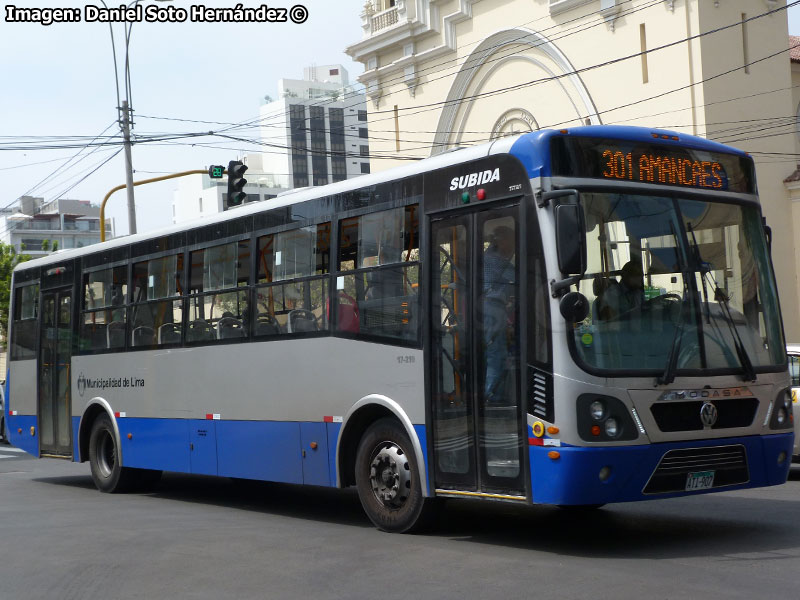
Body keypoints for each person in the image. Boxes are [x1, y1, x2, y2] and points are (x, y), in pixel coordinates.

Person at [482, 225, 516, 403]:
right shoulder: (495, 259)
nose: (512, 246)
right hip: (492, 307)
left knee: (496, 353)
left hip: (492, 307)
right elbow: (519, 276)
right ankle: (490, 397)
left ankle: (495, 395)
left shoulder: (490, 257)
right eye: (510, 241)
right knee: (496, 354)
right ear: (500, 241)